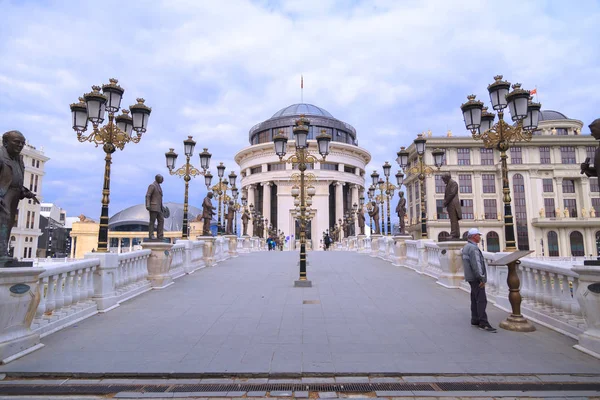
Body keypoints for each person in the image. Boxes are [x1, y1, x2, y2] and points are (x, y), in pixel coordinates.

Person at [0, 131, 39, 263]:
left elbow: (16, 178)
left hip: (15, 194)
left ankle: (3, 252)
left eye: (22, 142)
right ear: (5, 142)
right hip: (3, 194)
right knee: (3, 220)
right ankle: (1, 254)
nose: (20, 145)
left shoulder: (19, 159)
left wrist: (24, 191)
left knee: (9, 223)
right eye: (17, 142)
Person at [462, 228, 496, 332]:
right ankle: (483, 323)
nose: (480, 237)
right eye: (478, 235)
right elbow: (476, 264)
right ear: (473, 236)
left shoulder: (466, 247)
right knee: (481, 300)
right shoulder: (473, 249)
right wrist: (481, 278)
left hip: (470, 278)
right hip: (476, 278)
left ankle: (475, 319)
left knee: (474, 298)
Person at [145, 174, 165, 240]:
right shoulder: (152, 186)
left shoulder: (159, 186)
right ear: (157, 178)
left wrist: (162, 207)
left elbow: (159, 199)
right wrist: (148, 205)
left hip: (159, 208)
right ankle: (151, 235)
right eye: (161, 179)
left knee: (161, 220)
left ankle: (160, 235)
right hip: (153, 207)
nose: (162, 180)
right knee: (152, 222)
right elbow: (148, 195)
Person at [442, 173, 462, 239]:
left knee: (454, 220)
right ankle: (456, 234)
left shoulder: (453, 183)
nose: (443, 181)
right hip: (450, 204)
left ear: (447, 178)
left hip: (453, 203)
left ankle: (454, 234)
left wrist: (445, 202)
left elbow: (452, 194)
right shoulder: (448, 184)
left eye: (444, 179)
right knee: (453, 220)